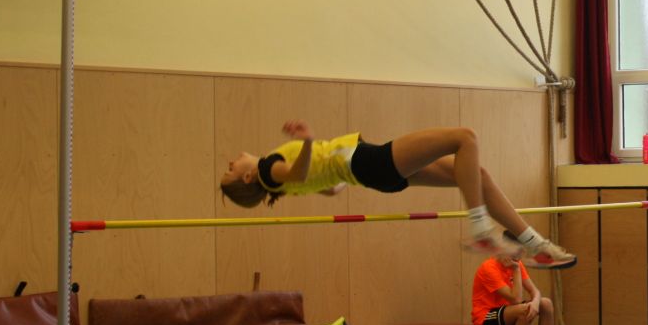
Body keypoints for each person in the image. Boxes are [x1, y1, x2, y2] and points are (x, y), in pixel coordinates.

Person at [219, 120, 576, 269]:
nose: (232, 162)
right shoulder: (269, 168)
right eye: (231, 169)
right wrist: (309, 141)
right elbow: (299, 171)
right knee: (465, 138)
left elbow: (329, 186)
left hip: (369, 172)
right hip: (371, 162)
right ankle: (481, 229)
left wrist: (334, 168)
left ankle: (536, 245)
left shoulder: (279, 183)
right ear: (248, 177)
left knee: (476, 175)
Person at [471, 252, 554, 325]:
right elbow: (516, 300)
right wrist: (516, 269)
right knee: (525, 310)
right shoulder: (489, 267)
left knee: (546, 303)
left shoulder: (516, 263)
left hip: (508, 310)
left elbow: (535, 291)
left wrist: (535, 303)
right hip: (486, 315)